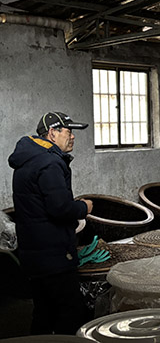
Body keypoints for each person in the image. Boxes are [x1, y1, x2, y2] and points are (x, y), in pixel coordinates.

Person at [8, 112, 93, 335]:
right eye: (68, 131)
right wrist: (84, 208)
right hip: (53, 254)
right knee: (71, 312)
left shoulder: (28, 159)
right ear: (52, 133)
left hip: (33, 253)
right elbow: (60, 208)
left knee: (43, 312)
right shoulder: (50, 162)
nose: (72, 137)